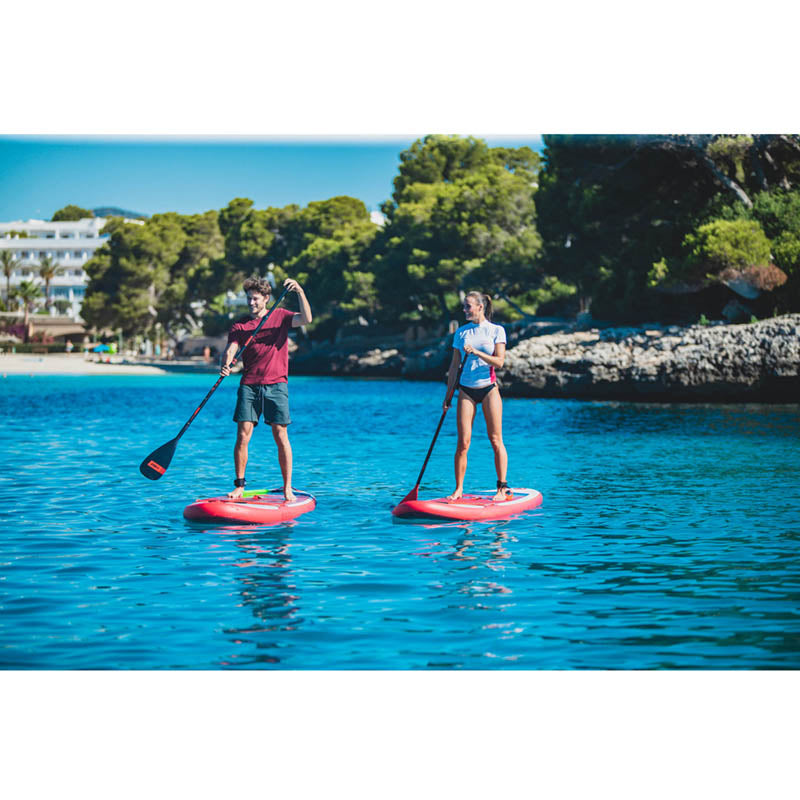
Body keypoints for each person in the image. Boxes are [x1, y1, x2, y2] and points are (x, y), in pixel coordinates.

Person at [220, 276, 312, 501]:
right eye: (249, 299)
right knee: (242, 435)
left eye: (255, 299)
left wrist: (299, 291)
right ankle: (239, 485)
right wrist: (226, 363)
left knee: (281, 435)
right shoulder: (240, 325)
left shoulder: (279, 316)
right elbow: (231, 348)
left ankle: (287, 487)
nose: (251, 303)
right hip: (249, 386)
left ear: (266, 299)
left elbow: (307, 319)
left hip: (276, 385)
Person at [444, 291, 509, 502]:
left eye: (468, 306)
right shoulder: (461, 333)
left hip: (489, 388)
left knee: (495, 439)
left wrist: (476, 353)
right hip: (465, 390)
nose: (464, 310)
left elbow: (499, 362)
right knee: (463, 442)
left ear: (480, 307)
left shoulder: (496, 331)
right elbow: (454, 366)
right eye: (464, 307)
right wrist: (448, 394)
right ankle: (459, 489)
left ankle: (502, 488)